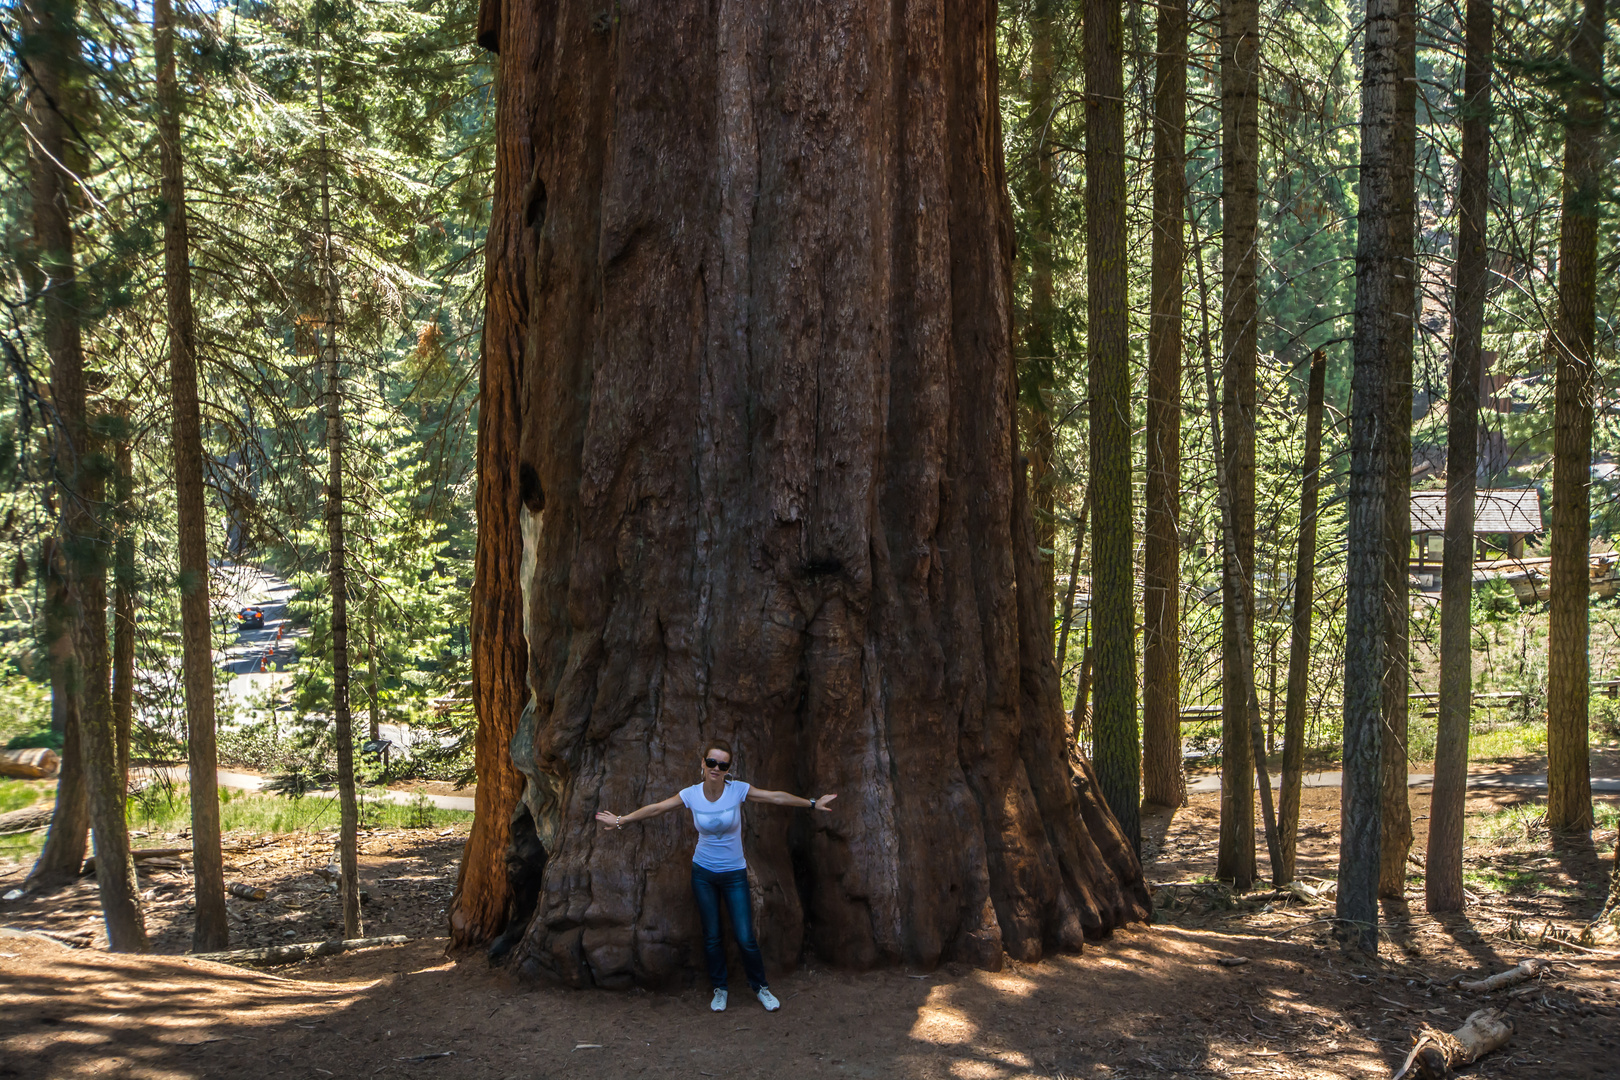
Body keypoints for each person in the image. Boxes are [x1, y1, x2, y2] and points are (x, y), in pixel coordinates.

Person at [594, 741, 836, 1013]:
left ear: (728, 769)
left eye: (722, 765)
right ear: (702, 763)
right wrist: (620, 821)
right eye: (711, 762)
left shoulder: (738, 791)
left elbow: (775, 797)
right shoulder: (691, 795)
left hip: (734, 874)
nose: (716, 768)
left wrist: (812, 803)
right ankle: (720, 989)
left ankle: (761, 988)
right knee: (712, 935)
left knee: (745, 936)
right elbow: (657, 808)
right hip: (703, 874)